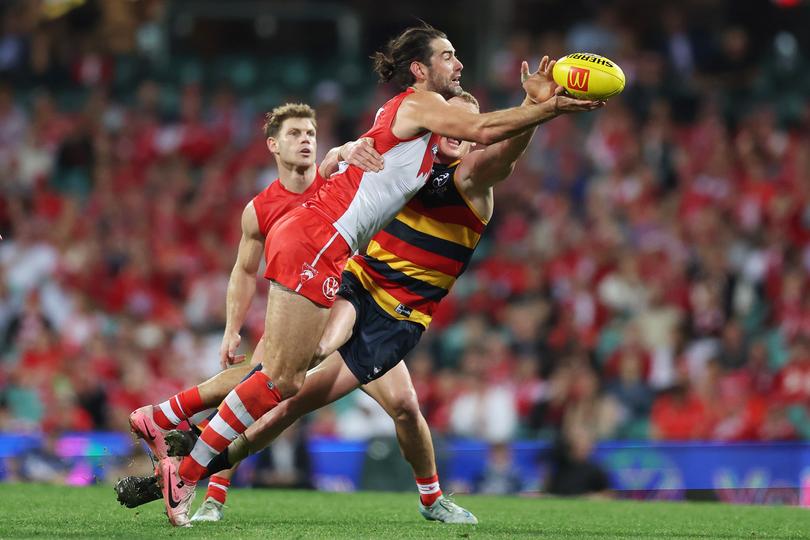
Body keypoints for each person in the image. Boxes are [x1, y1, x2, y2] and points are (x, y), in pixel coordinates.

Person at [121, 49, 601, 523]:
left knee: (401, 407)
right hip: (356, 282)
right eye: (448, 119)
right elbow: (374, 150)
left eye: (463, 123)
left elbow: (502, 152)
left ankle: (431, 499)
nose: (454, 128)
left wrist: (534, 113)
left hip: (399, 315)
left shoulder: (471, 179)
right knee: (292, 375)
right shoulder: (416, 160)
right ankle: (200, 474)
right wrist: (342, 149)